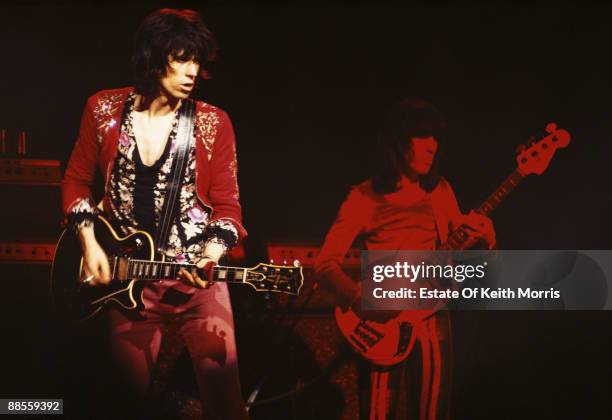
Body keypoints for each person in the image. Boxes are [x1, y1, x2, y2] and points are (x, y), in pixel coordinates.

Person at [61, 8, 248, 419]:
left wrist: (211, 256)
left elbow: (229, 209)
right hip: (128, 283)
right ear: (152, 56)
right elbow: (75, 182)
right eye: (181, 58)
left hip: (196, 281)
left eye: (197, 61)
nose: (192, 71)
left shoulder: (214, 123)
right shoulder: (103, 110)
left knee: (225, 404)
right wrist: (89, 243)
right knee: (122, 402)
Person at [314, 99, 496, 419]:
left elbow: (459, 251)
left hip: (431, 317)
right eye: (423, 136)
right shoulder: (364, 197)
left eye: (436, 138)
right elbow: (325, 263)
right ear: (398, 141)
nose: (432, 147)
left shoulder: (440, 192)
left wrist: (487, 237)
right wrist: (359, 295)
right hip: (380, 323)